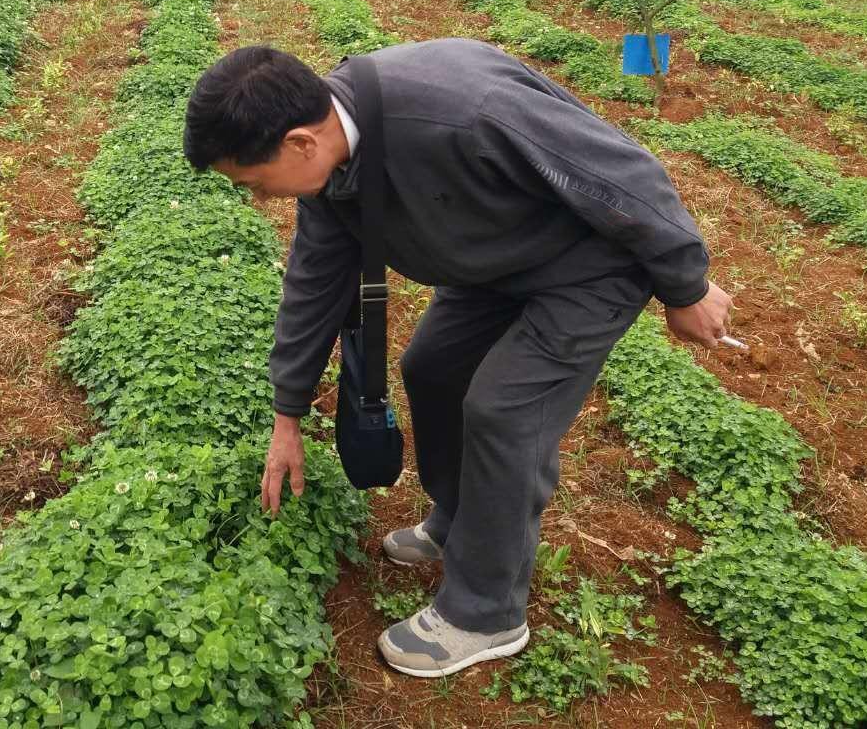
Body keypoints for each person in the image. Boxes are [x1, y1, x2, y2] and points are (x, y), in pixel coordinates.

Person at [182, 39, 733, 679]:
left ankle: (486, 611)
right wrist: (287, 414)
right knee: (432, 368)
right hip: (496, 266)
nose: (258, 199)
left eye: (253, 183)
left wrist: (685, 284)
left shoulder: (466, 111)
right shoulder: (334, 164)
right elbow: (314, 283)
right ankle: (461, 517)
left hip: (588, 271)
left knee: (504, 409)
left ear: (301, 143)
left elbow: (622, 173)